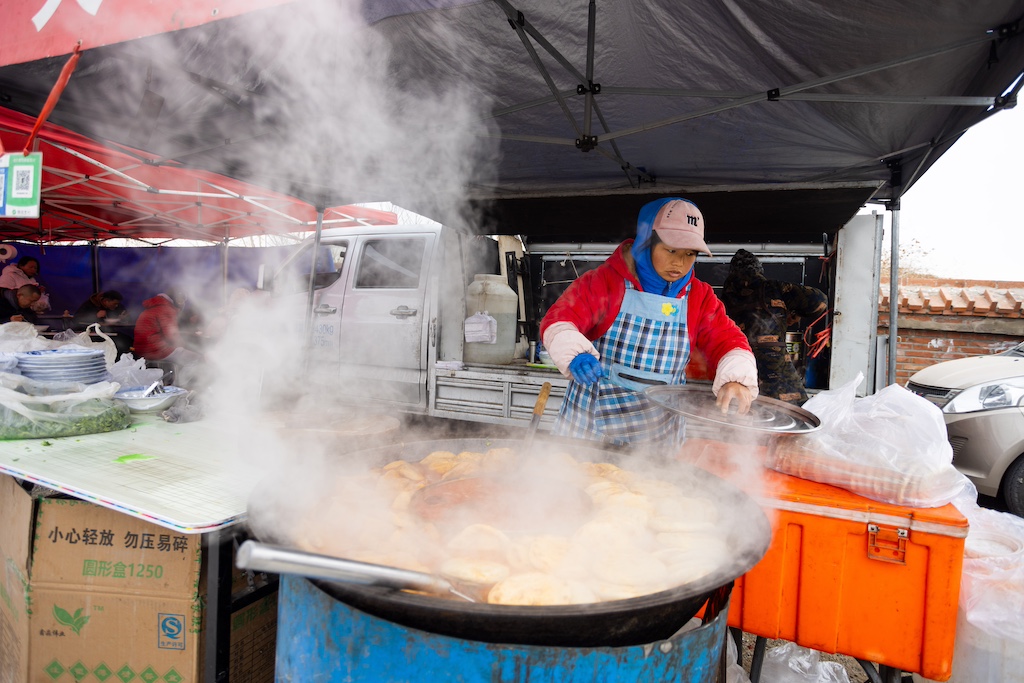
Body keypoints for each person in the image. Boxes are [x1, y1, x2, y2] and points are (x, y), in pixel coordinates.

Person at [540, 198, 758, 448]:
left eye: (690, 254)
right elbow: (560, 319)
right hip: (590, 429)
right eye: (671, 250)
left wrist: (736, 378)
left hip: (657, 437)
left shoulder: (700, 297)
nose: (680, 263)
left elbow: (728, 341)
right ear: (646, 242)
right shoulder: (605, 282)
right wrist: (574, 352)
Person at [720, 248, 828, 405]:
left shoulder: (721, 299)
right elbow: (819, 300)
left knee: (740, 423)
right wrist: (795, 313)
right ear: (758, 270)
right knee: (792, 423)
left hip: (737, 377)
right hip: (777, 380)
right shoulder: (773, 288)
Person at [133, 288, 204, 388]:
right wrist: (186, 347)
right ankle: (181, 388)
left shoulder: (154, 307)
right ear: (175, 299)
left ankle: (176, 385)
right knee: (198, 359)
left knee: (183, 354)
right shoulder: (166, 309)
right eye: (181, 300)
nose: (182, 303)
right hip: (156, 350)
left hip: (141, 350)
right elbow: (172, 336)